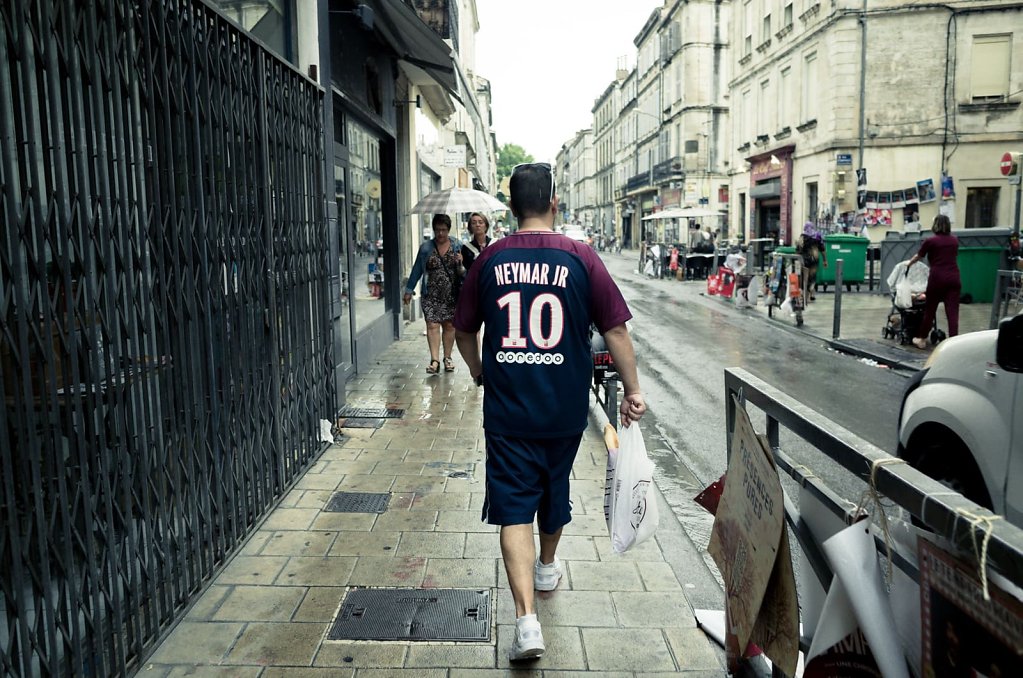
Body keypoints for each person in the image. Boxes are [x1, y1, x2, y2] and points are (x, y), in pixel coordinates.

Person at [453, 162, 646, 662]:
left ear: (512, 208)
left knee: (513, 506)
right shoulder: (581, 257)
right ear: (554, 204)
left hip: (508, 410)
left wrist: (480, 374)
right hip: (564, 409)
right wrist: (632, 390)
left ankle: (525, 623)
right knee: (552, 489)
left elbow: (463, 331)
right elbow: (617, 330)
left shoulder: (490, 259)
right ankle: (547, 565)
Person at [403, 214, 464, 373]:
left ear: (448, 229)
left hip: (452, 294)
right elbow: (417, 269)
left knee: (450, 326)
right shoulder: (426, 248)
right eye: (437, 230)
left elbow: (465, 272)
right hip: (431, 294)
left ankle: (448, 357)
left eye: (443, 230)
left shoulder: (457, 246)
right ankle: (435, 360)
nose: (440, 234)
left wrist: (461, 261)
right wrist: (409, 290)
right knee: (432, 325)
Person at [906, 214, 960, 348]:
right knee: (952, 313)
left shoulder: (930, 241)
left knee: (930, 310)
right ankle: (954, 343)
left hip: (937, 278)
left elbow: (919, 256)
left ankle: (922, 339)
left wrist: (909, 264)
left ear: (935, 225)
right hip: (954, 278)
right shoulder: (954, 241)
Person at [797, 223, 827, 304]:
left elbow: (798, 249)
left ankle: (804, 296)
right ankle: (811, 293)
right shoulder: (818, 236)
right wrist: (825, 260)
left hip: (804, 260)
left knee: (804, 277)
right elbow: (823, 249)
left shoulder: (802, 236)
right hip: (814, 259)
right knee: (812, 277)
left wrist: (797, 259)